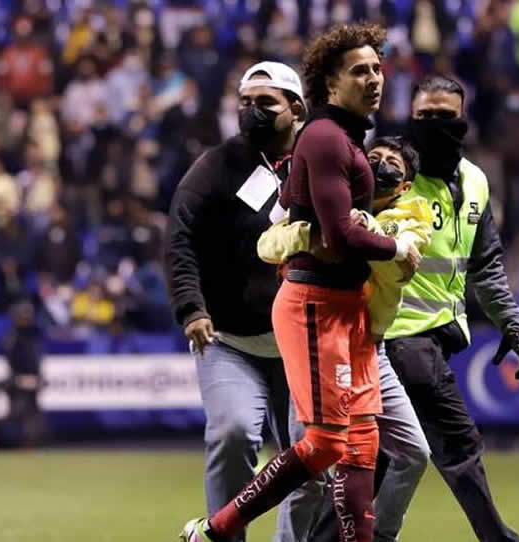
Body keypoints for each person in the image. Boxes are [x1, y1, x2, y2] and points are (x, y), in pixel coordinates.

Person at [181, 24, 421, 542]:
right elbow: (338, 233)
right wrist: (396, 247)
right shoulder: (325, 138)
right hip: (315, 306)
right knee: (325, 444)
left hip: (350, 308)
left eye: (377, 69)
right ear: (330, 84)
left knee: (361, 444)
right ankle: (215, 529)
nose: (374, 79)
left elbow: (300, 219)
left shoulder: (345, 139)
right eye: (360, 71)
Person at [258, 136, 432, 542]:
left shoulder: (412, 216)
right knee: (310, 471)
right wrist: (312, 236)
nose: (381, 166)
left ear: (405, 186)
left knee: (413, 452)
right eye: (375, 158)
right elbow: (267, 243)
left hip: (370, 348)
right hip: (320, 340)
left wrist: (362, 231)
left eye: (392, 164)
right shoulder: (328, 200)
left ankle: (381, 536)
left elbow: (395, 269)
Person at [386, 74, 519, 542]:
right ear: (410, 118)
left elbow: (485, 265)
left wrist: (512, 322)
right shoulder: (389, 177)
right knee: (458, 444)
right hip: (398, 334)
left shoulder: (475, 182)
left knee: (384, 458)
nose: (435, 124)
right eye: (425, 115)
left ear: (464, 119)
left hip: (440, 335)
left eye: (445, 116)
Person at [166, 61, 309, 541]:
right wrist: (191, 307)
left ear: (296, 108)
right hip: (230, 339)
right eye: (244, 102)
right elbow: (180, 236)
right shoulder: (216, 165)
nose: (251, 111)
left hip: (302, 342)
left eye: (265, 102)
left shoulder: (319, 160)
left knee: (311, 454)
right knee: (232, 433)